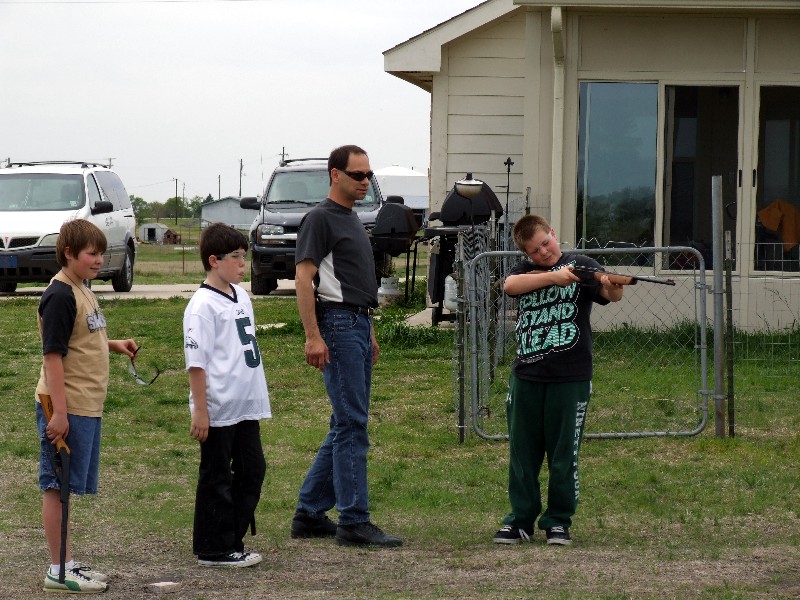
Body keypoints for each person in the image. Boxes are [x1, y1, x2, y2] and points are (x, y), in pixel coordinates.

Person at [290, 144, 402, 548]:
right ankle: (354, 520)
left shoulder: (352, 219)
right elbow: (305, 280)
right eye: (357, 175)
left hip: (356, 322)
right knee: (352, 422)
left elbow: (353, 282)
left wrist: (367, 327)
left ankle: (309, 513)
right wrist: (313, 335)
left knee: (344, 421)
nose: (365, 182)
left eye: (368, 175)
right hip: (336, 324)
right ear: (335, 174)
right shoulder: (320, 218)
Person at [493, 214, 624, 546]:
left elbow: (609, 293)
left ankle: (558, 520)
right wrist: (554, 278)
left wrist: (613, 284)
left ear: (553, 232)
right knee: (523, 453)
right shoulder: (526, 272)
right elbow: (509, 286)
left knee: (564, 454)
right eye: (535, 251)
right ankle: (519, 519)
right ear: (526, 254)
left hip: (571, 377)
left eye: (546, 243)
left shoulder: (581, 263)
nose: (544, 252)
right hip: (527, 376)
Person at [36, 219, 138, 593]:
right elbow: (53, 357)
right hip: (66, 406)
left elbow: (81, 338)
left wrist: (115, 344)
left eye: (100, 253)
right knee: (56, 486)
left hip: (85, 406)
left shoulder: (82, 288)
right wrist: (59, 413)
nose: (99, 260)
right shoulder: (60, 295)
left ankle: (66, 562)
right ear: (69, 254)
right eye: (91, 254)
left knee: (67, 488)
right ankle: (57, 571)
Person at [183, 222, 271, 567]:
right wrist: (200, 410)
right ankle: (213, 548)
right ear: (214, 260)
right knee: (217, 475)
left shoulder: (241, 295)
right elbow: (197, 363)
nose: (241, 264)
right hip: (218, 406)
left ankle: (231, 538)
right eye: (235, 257)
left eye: (243, 257)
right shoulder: (202, 306)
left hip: (245, 404)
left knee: (253, 469)